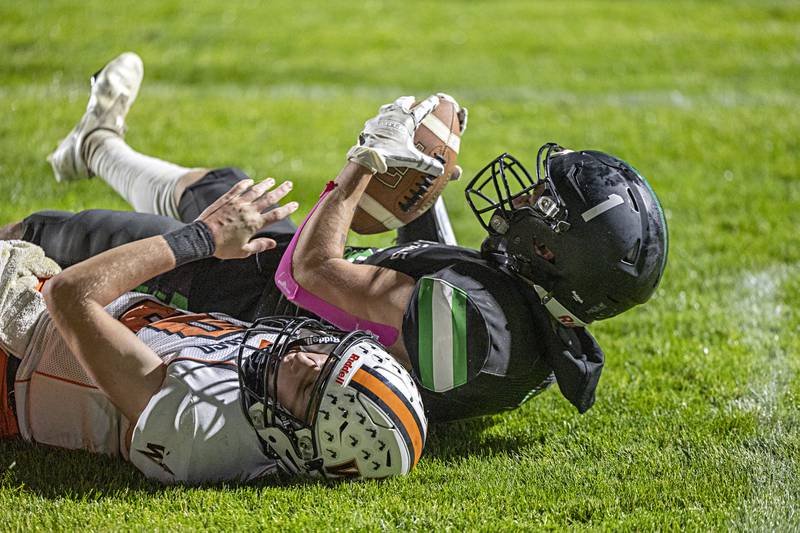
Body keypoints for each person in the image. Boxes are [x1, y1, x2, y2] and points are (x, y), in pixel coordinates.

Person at [9, 51, 668, 422]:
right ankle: (95, 144)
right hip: (300, 300)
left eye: (545, 203)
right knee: (230, 186)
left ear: (554, 254)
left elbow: (312, 274)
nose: (526, 196)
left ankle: (78, 168)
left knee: (56, 234)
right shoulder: (539, 315)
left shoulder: (472, 334)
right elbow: (429, 270)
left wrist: (367, 160)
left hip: (263, 317)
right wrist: (427, 189)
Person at [0, 176, 427, 484]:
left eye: (309, 383)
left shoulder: (202, 428)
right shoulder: (277, 384)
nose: (303, 357)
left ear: (303, 445)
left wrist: (201, 238)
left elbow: (69, 296)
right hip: (33, 305)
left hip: (14, 345)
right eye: (327, 356)